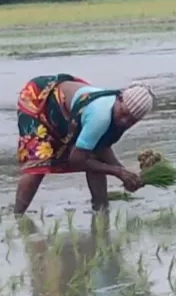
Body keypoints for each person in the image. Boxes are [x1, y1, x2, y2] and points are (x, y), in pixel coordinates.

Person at [14, 76, 156, 214]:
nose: (124, 121)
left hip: (68, 110)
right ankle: (17, 216)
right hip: (39, 98)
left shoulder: (118, 116)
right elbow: (76, 160)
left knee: (94, 159)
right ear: (119, 98)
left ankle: (101, 211)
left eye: (131, 121)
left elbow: (101, 147)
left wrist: (125, 173)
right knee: (39, 163)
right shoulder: (100, 116)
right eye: (123, 113)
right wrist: (118, 172)